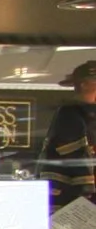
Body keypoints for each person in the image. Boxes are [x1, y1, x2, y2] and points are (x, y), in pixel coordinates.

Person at [43, 59, 96, 216]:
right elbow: (76, 153)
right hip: (67, 194)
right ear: (84, 84)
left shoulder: (86, 115)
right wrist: (87, 188)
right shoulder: (69, 114)